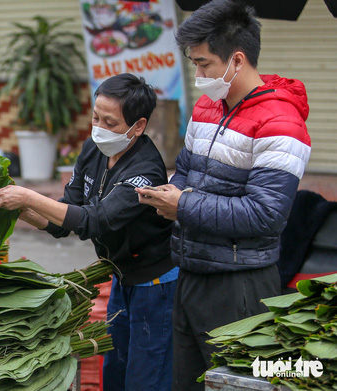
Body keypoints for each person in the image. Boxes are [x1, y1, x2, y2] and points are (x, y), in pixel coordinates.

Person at [135, 1, 311, 389]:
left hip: (240, 283)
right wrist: (169, 195)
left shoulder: (281, 122)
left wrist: (183, 205)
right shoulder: (206, 108)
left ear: (237, 59)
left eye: (203, 64)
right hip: (191, 271)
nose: (198, 74)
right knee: (188, 382)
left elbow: (266, 215)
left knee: (234, 382)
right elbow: (186, 170)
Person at [0, 73, 176, 391]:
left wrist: (28, 195)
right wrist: (20, 210)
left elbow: (95, 221)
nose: (99, 127)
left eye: (110, 122)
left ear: (138, 126)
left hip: (155, 287)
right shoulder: (93, 149)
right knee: (115, 371)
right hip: (121, 277)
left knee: (147, 377)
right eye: (96, 116)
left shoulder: (145, 171)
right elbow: (65, 219)